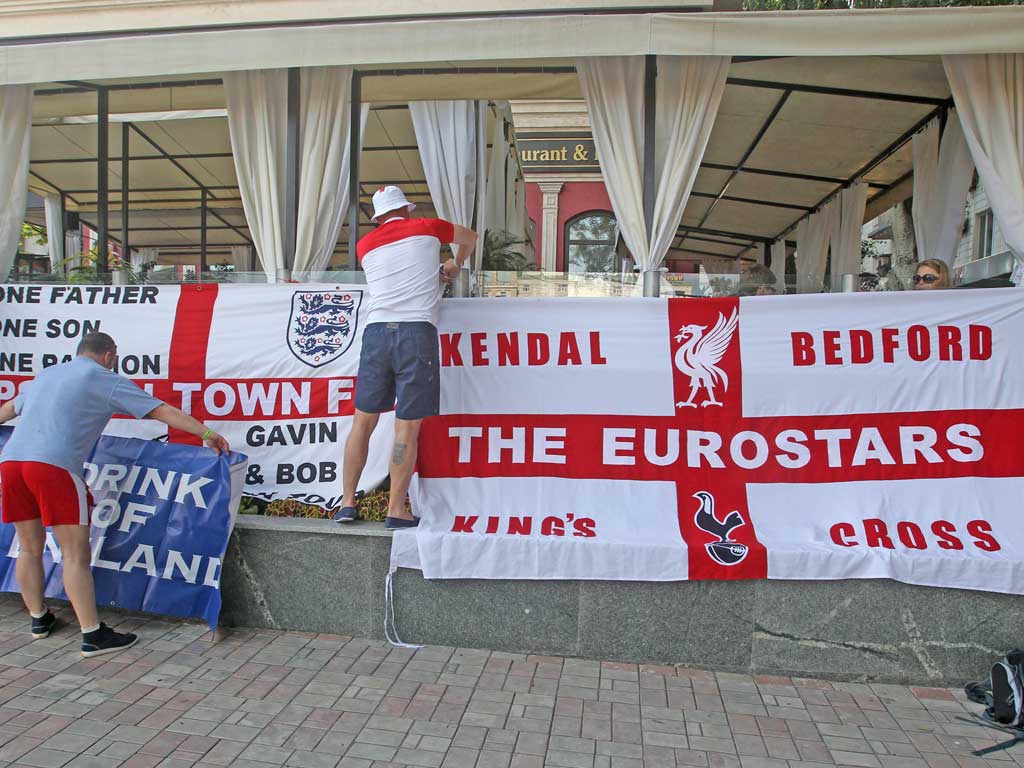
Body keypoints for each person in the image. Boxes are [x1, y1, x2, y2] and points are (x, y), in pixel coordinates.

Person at [0, 332, 230, 656]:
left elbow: (8, 410)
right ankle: (92, 634)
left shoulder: (47, 374)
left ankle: (39, 620)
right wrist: (206, 432)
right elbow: (161, 411)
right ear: (109, 355)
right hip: (53, 467)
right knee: (75, 555)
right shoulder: (103, 378)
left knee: (28, 548)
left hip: (11, 463)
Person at [335, 185, 477, 529]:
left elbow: (399, 272)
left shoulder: (364, 245)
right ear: (407, 210)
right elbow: (470, 237)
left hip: (376, 334)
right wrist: (453, 265)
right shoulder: (428, 227)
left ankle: (347, 502)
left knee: (362, 423)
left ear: (378, 217)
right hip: (416, 334)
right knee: (406, 428)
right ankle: (395, 509)